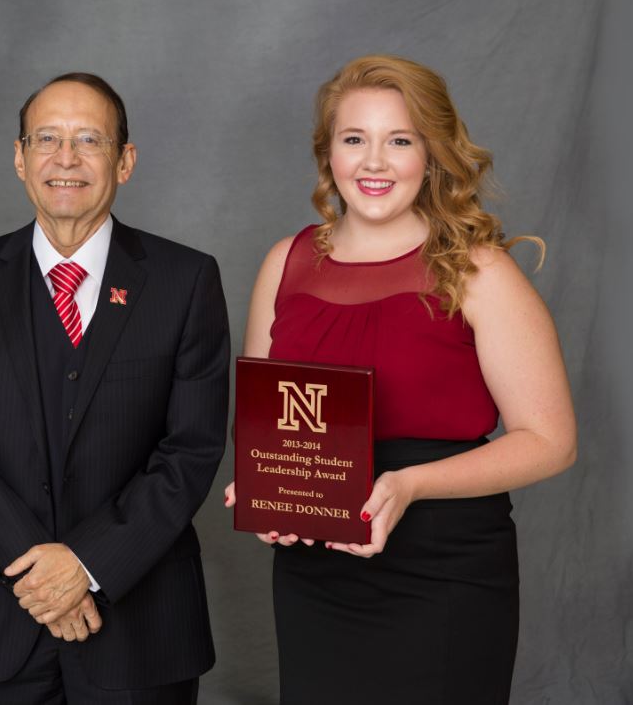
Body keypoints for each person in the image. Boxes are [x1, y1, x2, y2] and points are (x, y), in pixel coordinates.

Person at [225, 54, 577, 704]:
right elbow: (268, 430)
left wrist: (409, 484)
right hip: (317, 578)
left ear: (433, 153)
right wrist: (268, 496)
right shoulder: (286, 262)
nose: (374, 162)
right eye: (354, 139)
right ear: (328, 154)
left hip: (444, 573)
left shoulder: (479, 271)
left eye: (400, 140)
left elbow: (550, 440)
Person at [0, 73, 229, 703]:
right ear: (18, 157)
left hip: (140, 620)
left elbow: (190, 448)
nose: (66, 159)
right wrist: (42, 575)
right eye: (47, 139)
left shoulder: (185, 280)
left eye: (89, 139)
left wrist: (86, 568)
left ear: (125, 160)